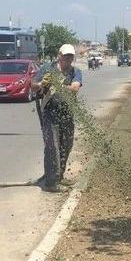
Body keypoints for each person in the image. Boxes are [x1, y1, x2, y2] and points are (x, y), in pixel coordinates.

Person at [32, 44, 83, 192]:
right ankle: (50, 182)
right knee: (52, 147)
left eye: (70, 56)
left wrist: (58, 85)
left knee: (66, 145)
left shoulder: (75, 72)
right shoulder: (47, 69)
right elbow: (33, 85)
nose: (68, 59)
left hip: (67, 114)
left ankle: (59, 175)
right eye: (65, 56)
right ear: (59, 55)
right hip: (50, 114)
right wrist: (42, 83)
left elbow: (74, 88)